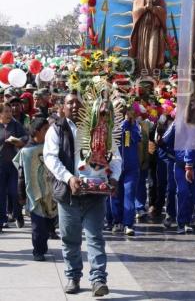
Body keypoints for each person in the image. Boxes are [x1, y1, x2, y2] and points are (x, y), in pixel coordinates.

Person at [43, 92, 122, 296]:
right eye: (70, 103)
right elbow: (51, 159)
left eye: (78, 102)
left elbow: (115, 158)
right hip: (69, 195)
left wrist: (113, 177)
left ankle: (98, 280)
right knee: (70, 239)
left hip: (95, 195)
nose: (75, 106)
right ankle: (73, 276)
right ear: (63, 107)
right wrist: (69, 178)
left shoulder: (102, 127)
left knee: (95, 237)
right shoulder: (56, 130)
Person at [14, 117, 57, 261]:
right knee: (38, 226)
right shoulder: (26, 151)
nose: (48, 133)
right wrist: (21, 195)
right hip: (34, 194)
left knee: (49, 223)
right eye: (45, 130)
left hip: (50, 194)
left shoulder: (51, 148)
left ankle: (42, 244)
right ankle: (38, 251)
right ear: (36, 132)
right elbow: (21, 175)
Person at [129, 0, 167, 74]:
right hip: (143, 28)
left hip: (154, 27)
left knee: (152, 50)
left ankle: (152, 72)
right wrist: (145, 8)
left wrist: (154, 9)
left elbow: (163, 11)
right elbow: (135, 12)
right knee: (143, 50)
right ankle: (143, 74)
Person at [111, 108, 141, 236]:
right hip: (116, 166)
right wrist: (123, 123)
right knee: (116, 195)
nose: (129, 116)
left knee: (129, 194)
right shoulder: (114, 125)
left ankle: (128, 224)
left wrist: (131, 124)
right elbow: (115, 136)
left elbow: (138, 138)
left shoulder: (135, 127)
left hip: (131, 167)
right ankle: (117, 221)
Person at [0, 102, 28, 232]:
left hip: (14, 164)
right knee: (1, 194)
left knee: (14, 191)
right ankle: (2, 220)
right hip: (1, 165)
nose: (9, 114)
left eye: (10, 111)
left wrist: (16, 140)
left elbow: (26, 136)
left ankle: (18, 215)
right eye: (6, 111)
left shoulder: (16, 124)